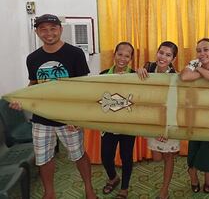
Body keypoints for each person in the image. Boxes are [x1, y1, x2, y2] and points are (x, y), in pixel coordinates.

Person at [9, 14, 97, 199]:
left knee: (78, 155)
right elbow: (33, 84)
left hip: (68, 118)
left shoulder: (75, 53)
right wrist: (21, 100)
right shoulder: (32, 58)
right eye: (43, 29)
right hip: (41, 118)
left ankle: (89, 189)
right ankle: (49, 193)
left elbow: (83, 88)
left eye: (53, 28)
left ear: (60, 30)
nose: (48, 33)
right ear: (37, 32)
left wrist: (78, 117)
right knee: (43, 158)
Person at [180, 38, 209, 194]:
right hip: (194, 112)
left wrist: (199, 70)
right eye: (198, 50)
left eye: (206, 49)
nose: (202, 53)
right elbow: (184, 77)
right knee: (194, 146)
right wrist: (203, 72)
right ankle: (193, 176)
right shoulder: (194, 62)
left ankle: (208, 179)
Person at [137, 41, 179, 199]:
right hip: (152, 120)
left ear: (173, 58)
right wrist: (138, 71)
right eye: (161, 52)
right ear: (157, 52)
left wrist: (166, 130)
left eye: (168, 55)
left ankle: (164, 190)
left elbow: (174, 105)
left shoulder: (175, 76)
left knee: (168, 156)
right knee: (156, 157)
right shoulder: (148, 67)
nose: (163, 57)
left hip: (167, 121)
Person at [99, 41, 136, 199]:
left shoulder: (136, 76)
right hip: (108, 125)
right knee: (106, 157)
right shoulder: (102, 75)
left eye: (127, 56)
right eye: (120, 54)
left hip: (128, 125)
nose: (122, 58)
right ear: (114, 55)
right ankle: (113, 178)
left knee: (126, 157)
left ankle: (124, 187)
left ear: (131, 59)